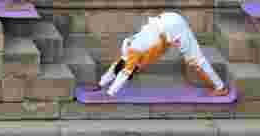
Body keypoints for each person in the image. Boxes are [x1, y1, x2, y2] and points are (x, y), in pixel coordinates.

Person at [94, 12, 229, 97]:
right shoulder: (127, 49)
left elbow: (124, 73)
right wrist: (101, 83)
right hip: (166, 19)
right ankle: (219, 86)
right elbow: (117, 67)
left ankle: (220, 88)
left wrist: (110, 93)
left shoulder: (132, 58)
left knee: (196, 60)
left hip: (172, 28)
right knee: (186, 55)